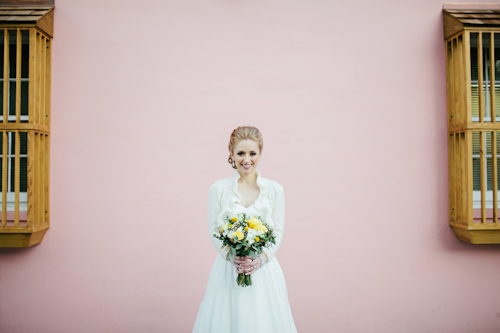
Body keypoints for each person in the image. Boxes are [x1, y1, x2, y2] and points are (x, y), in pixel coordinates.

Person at [193, 126, 297, 333]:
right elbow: (214, 229)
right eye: (240, 153)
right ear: (231, 154)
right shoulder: (219, 189)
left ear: (260, 154)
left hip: (263, 271)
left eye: (252, 153)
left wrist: (261, 259)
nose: (246, 159)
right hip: (228, 271)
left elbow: (277, 232)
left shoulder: (275, 190)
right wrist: (232, 257)